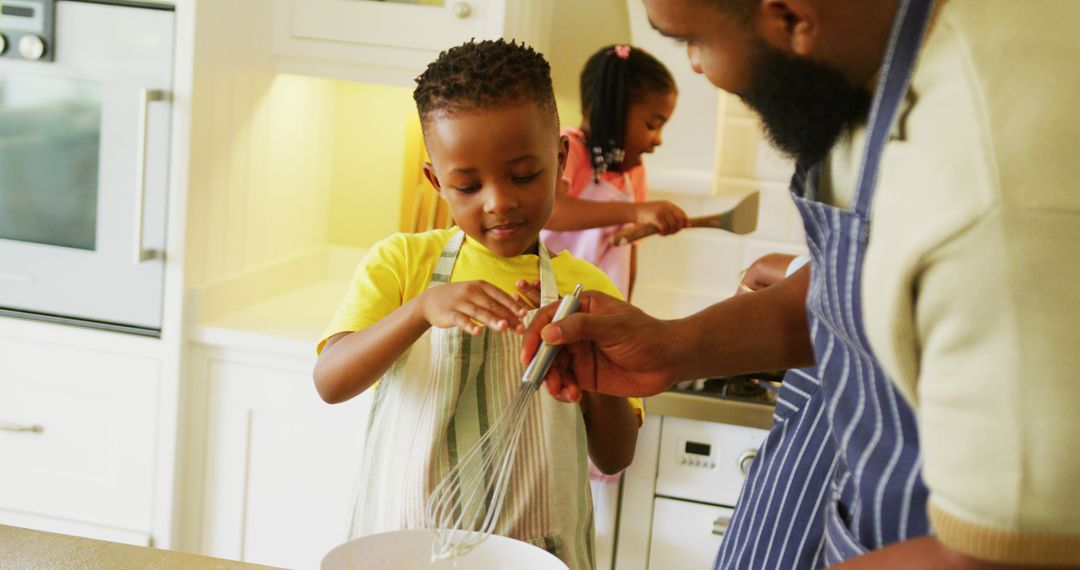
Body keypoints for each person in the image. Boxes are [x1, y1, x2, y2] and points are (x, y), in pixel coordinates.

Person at [524, 0, 1080, 568]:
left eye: (694, 42)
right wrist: (672, 349)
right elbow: (854, 286)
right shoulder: (863, 69)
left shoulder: (995, 188)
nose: (697, 66)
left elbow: (996, 557)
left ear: (791, 17)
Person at [313, 39, 643, 570]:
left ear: (559, 159)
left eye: (523, 175)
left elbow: (615, 454)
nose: (498, 200)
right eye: (467, 185)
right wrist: (420, 310)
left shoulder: (585, 288)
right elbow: (330, 381)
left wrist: (592, 371)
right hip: (406, 549)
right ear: (435, 181)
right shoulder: (402, 265)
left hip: (534, 553)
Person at [540, 44, 690, 299]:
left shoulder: (634, 174)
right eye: (652, 125)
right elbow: (549, 211)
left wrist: (626, 308)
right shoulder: (570, 148)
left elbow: (628, 254)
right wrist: (636, 211)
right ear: (613, 111)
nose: (658, 139)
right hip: (548, 299)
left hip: (599, 309)